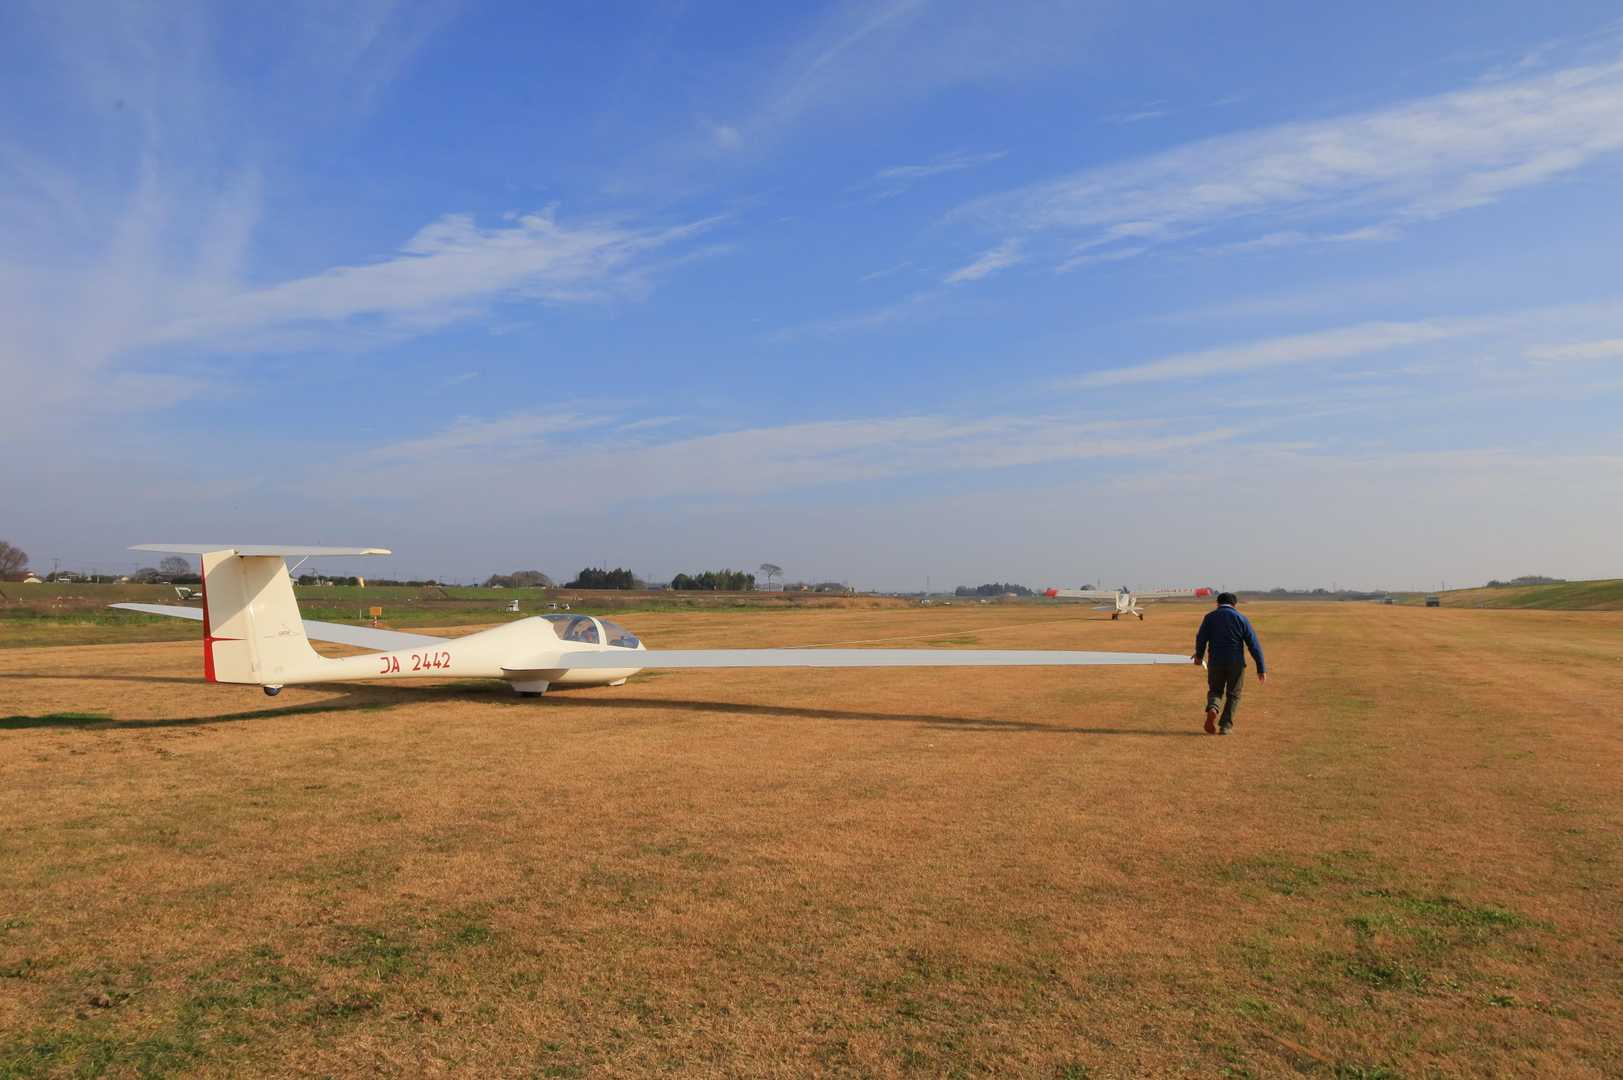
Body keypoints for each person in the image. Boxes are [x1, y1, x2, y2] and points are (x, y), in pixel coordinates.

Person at [1191, 592, 1266, 735]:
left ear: (1217, 603)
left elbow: (1201, 638)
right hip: (1236, 662)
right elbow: (1253, 644)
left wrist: (1199, 656)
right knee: (1234, 694)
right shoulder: (1241, 618)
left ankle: (1213, 707)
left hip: (1215, 661)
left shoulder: (1210, 617)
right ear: (1234, 604)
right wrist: (1261, 668)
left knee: (1215, 690)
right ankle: (1225, 726)